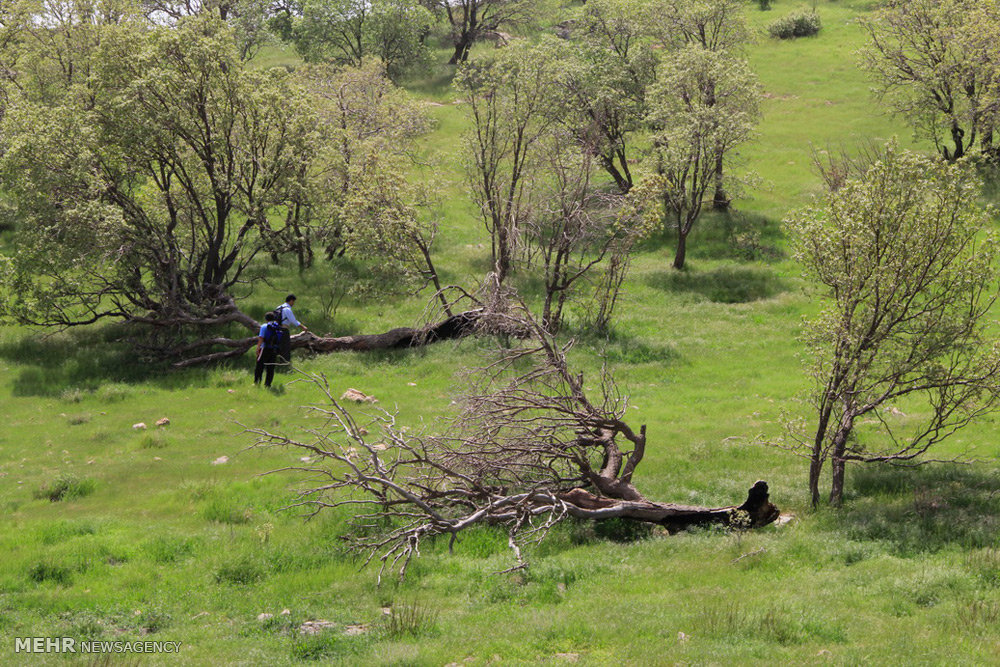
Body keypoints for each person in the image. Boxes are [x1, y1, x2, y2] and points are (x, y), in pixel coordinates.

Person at [274, 294, 309, 365]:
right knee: (286, 346)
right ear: (291, 301)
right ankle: (285, 363)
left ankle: (276, 361)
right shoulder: (287, 309)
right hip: (284, 329)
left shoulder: (278, 307)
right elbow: (293, 321)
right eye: (293, 302)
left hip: (276, 329)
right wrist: (303, 327)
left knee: (278, 345)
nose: (293, 303)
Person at [254, 312, 281, 387]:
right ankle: (268, 384)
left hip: (264, 348)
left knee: (259, 365)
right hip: (274, 349)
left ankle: (257, 382)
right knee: (270, 367)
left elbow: (261, 338)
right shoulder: (277, 326)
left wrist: (258, 348)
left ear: (266, 319)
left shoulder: (264, 326)